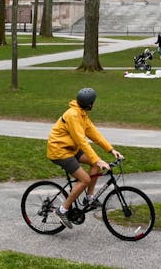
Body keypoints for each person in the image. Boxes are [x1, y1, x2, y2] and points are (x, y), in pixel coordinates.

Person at [46, 87, 124, 229]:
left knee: (94, 165)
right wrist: (98, 160)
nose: (94, 104)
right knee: (85, 179)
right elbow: (82, 141)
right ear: (89, 104)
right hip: (59, 151)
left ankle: (89, 198)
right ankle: (61, 210)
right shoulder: (73, 115)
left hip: (71, 149)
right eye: (94, 102)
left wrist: (111, 150)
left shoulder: (82, 114)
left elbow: (95, 134)